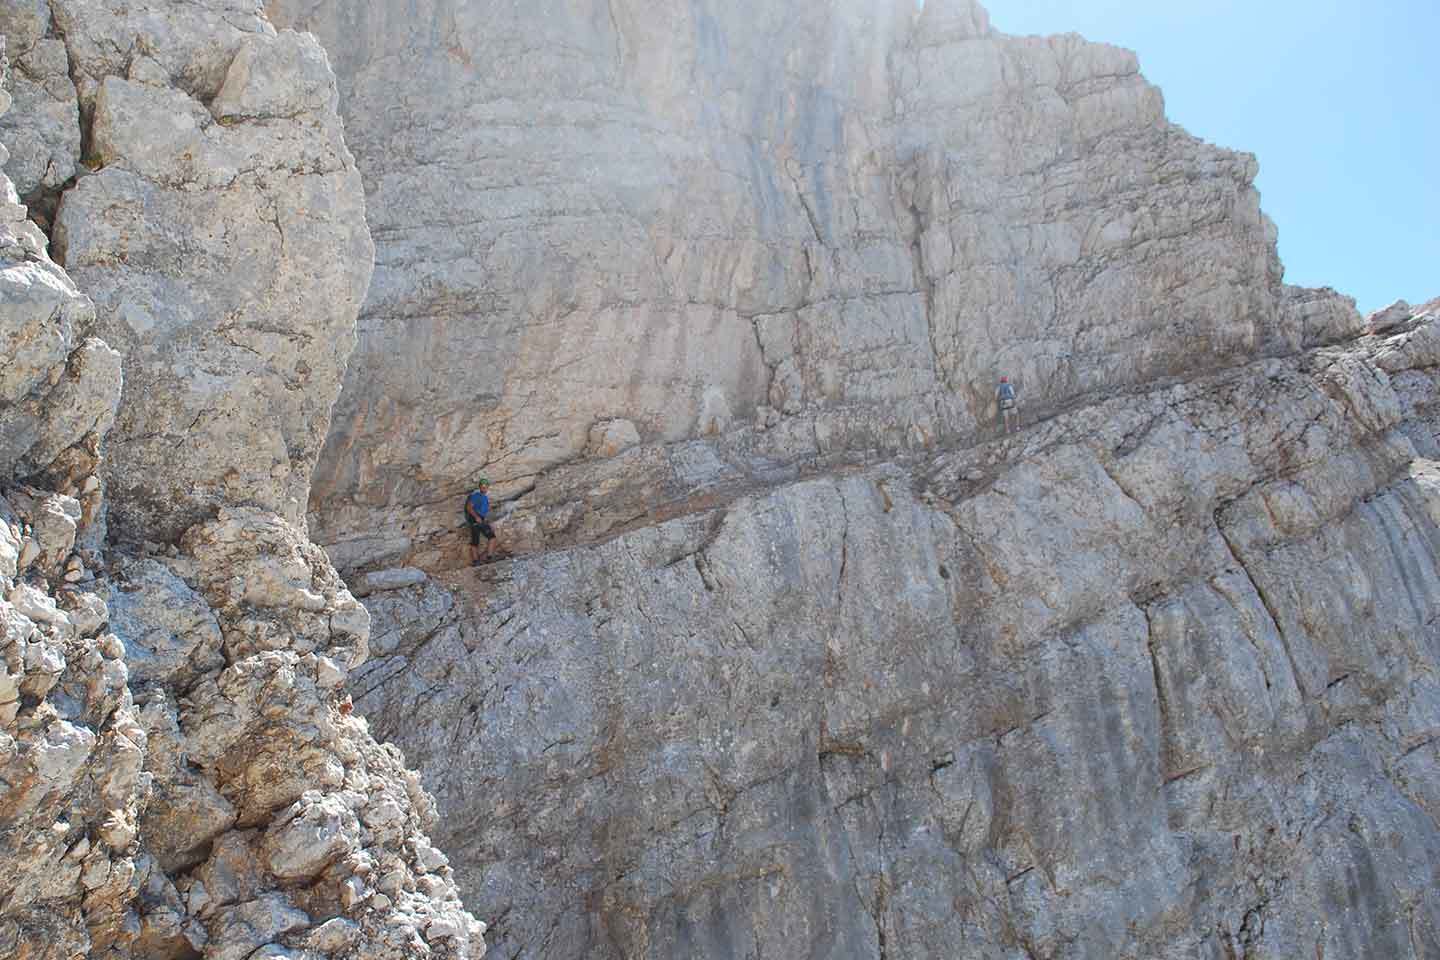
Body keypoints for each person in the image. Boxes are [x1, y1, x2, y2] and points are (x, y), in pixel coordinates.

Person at [465, 477, 497, 565]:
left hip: (478, 519)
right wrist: (476, 517)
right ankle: (488, 558)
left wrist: (488, 523)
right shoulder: (476, 496)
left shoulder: (485, 498)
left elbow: (484, 513)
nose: (484, 488)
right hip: (475, 519)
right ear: (480, 487)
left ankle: (476, 561)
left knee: (475, 541)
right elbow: (469, 507)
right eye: (483, 487)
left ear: (487, 487)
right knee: (492, 537)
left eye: (485, 487)